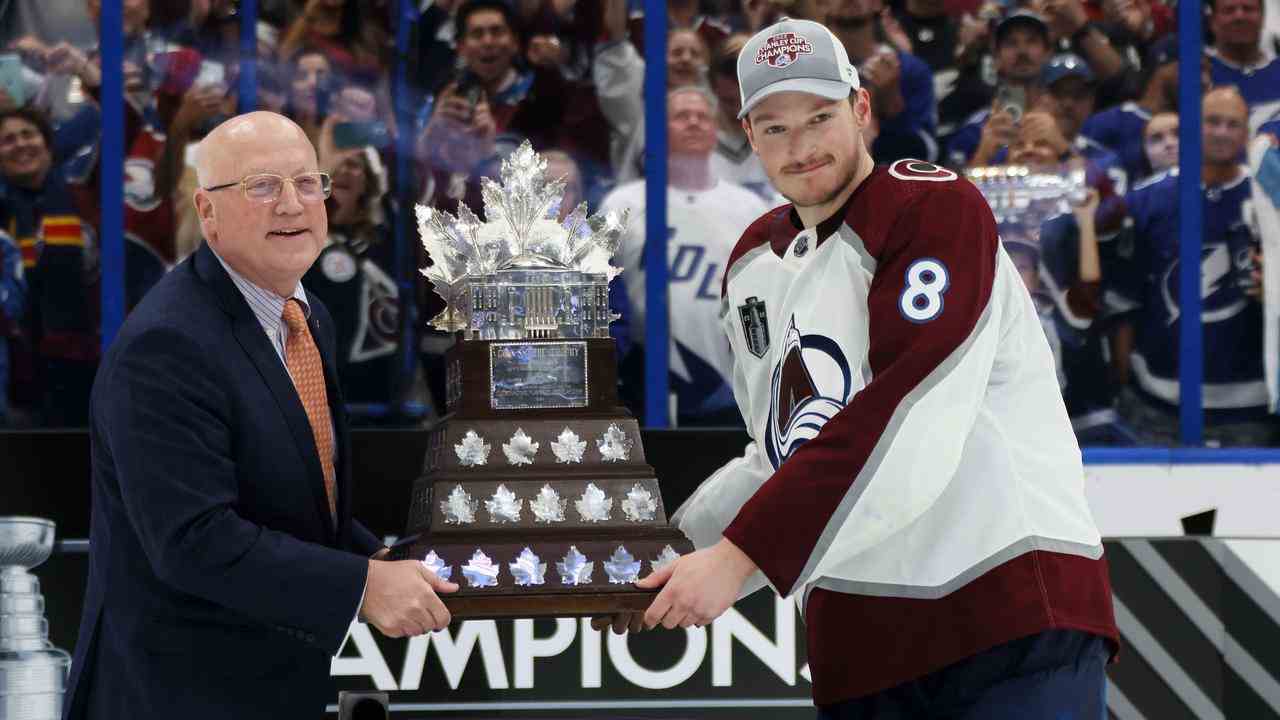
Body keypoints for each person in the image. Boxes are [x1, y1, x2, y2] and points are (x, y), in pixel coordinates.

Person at [600, 18, 1118, 717]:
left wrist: (737, 557)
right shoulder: (753, 264)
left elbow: (909, 406)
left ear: (862, 110)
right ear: (748, 135)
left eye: (820, 117)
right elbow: (777, 457)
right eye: (775, 127)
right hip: (863, 644)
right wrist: (661, 556)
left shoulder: (931, 207)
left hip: (1008, 612)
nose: (802, 145)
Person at [63, 111, 458, 719]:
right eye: (262, 186)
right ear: (207, 212)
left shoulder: (304, 314)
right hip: (175, 696)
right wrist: (360, 587)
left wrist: (371, 560)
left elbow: (290, 496)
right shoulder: (165, 346)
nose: (292, 205)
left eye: (306, 183)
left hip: (268, 687)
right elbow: (193, 541)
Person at [1108, 87, 1275, 446]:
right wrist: (1125, 383)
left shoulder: (1268, 200)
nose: (1222, 132)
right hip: (1156, 405)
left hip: (1251, 410)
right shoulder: (1146, 200)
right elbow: (1124, 302)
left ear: (1246, 134)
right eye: (1213, 121)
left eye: (1233, 124)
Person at [601, 85, 768, 426]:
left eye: (702, 116)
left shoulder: (750, 208)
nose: (693, 122)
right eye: (681, 116)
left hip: (733, 381)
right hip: (646, 382)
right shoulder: (623, 204)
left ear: (715, 130)